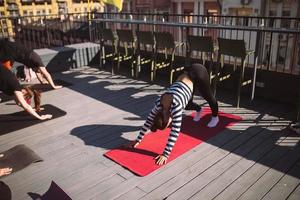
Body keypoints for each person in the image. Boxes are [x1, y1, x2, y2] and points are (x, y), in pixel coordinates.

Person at [127, 63, 219, 165]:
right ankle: (199, 109)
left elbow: (175, 132)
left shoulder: (176, 107)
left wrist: (165, 154)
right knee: (188, 105)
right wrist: (138, 140)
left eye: (168, 125)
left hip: (198, 72)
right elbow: (149, 120)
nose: (170, 126)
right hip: (185, 77)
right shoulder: (159, 103)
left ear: (169, 118)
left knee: (209, 96)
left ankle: (215, 117)